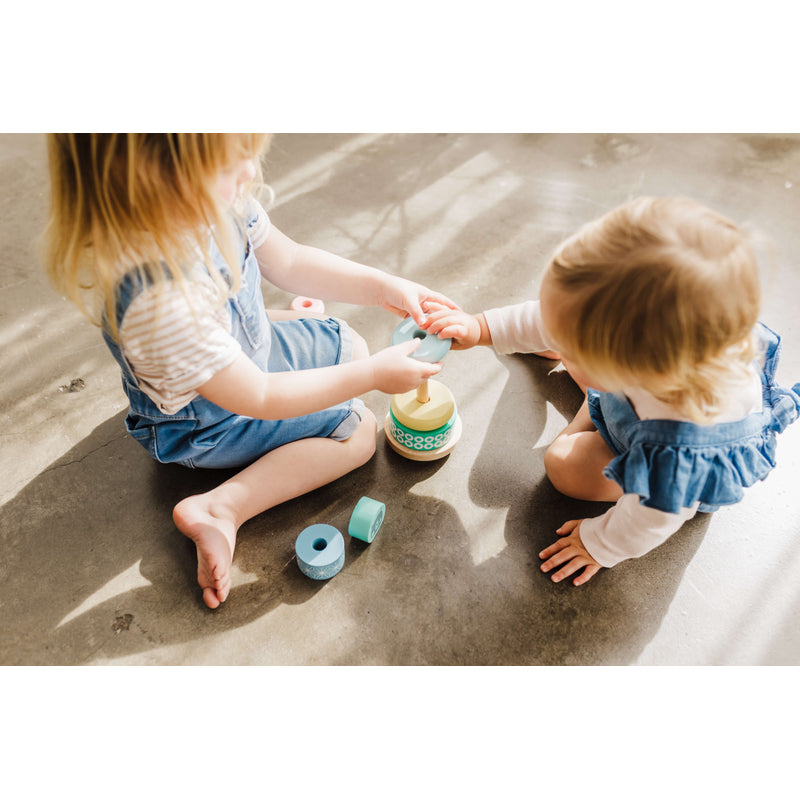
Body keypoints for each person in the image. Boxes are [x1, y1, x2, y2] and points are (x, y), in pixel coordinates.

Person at [44, 133, 458, 609]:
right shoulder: (159, 302)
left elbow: (292, 260)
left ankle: (294, 347)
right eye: (231, 162)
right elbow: (257, 395)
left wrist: (383, 285)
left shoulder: (215, 205)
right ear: (157, 178)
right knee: (360, 432)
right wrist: (371, 377)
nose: (248, 170)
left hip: (240, 362)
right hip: (209, 421)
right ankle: (222, 508)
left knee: (350, 343)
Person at [424, 196, 800, 585]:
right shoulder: (657, 341)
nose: (556, 334)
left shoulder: (674, 459)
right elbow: (554, 313)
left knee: (562, 464)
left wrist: (599, 543)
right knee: (572, 334)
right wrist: (481, 329)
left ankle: (592, 404)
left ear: (633, 372)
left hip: (671, 474)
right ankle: (594, 390)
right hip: (634, 401)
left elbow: (650, 518)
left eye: (569, 340)